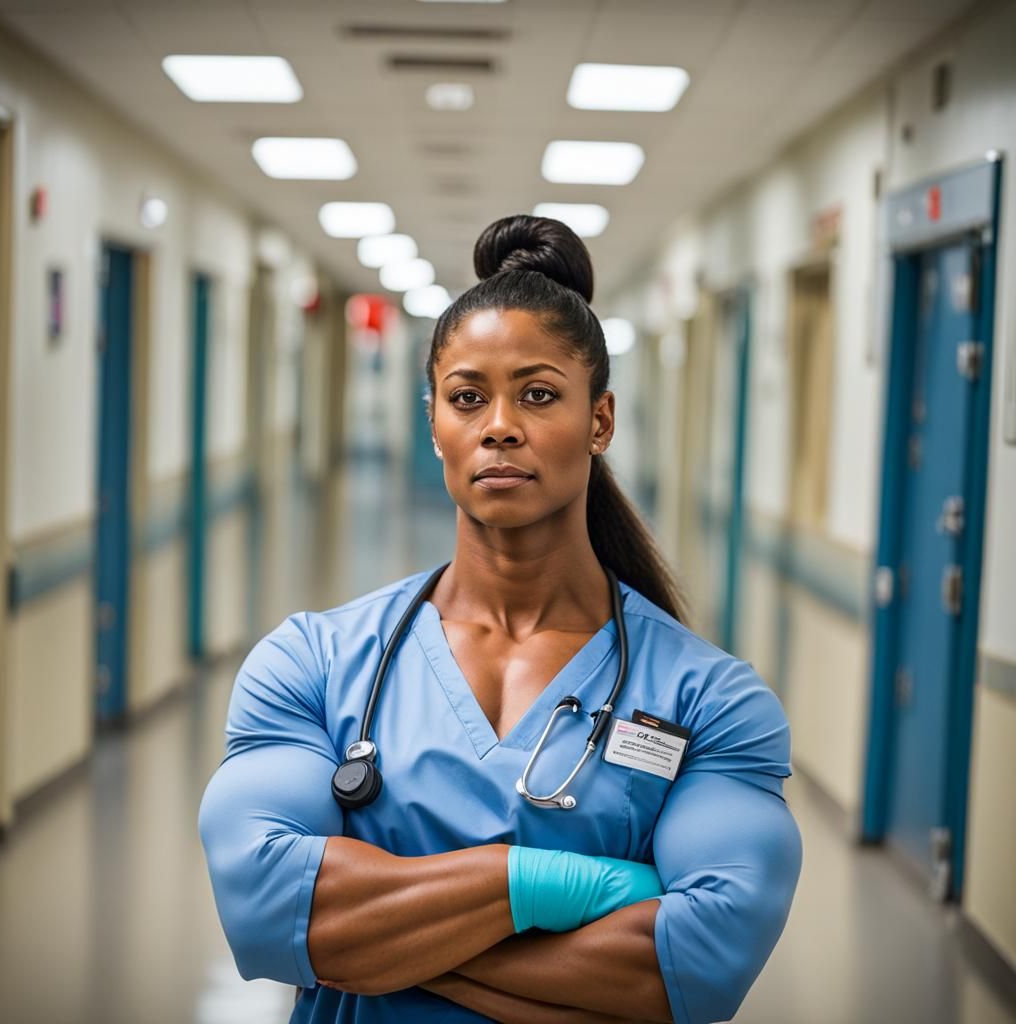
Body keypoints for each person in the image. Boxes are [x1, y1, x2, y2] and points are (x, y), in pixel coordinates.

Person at [199, 215, 802, 1024]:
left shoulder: (710, 702)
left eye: (539, 394)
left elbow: (697, 966)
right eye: (467, 398)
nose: (499, 426)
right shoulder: (315, 662)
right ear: (435, 423)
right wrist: (557, 886)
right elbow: (266, 911)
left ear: (600, 421)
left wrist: (381, 944)